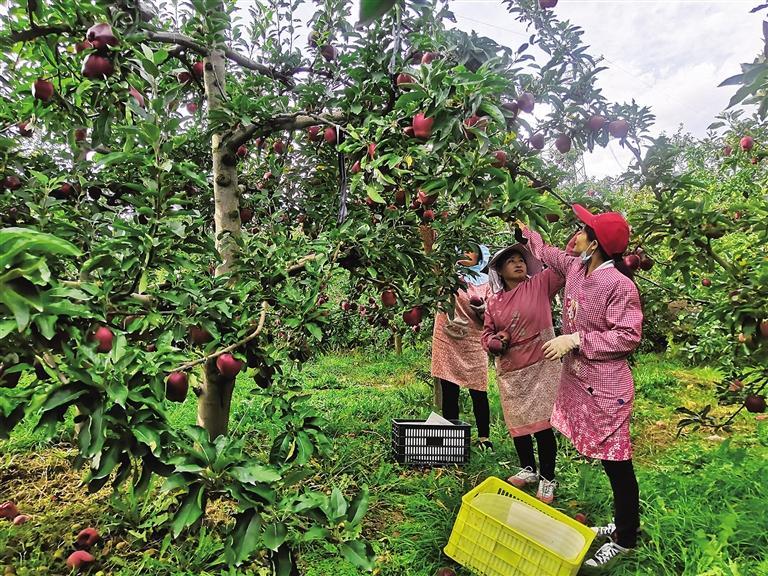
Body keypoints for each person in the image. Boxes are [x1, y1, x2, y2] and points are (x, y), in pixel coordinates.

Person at [518, 205, 643, 570]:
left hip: (606, 388)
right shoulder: (575, 267)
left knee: (618, 463)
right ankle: (624, 524)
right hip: (581, 383)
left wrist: (574, 339)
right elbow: (546, 253)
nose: (577, 235)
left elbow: (627, 335)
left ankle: (626, 539)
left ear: (597, 244)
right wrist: (527, 232)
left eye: (583, 230)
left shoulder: (619, 285)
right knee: (610, 463)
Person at [481, 242, 565, 503]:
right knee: (518, 422)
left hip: (541, 362)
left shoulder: (539, 284)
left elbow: (565, 266)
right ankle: (528, 469)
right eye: (511, 261)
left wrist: (537, 240)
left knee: (541, 423)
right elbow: (486, 334)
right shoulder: (493, 302)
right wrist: (494, 342)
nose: (518, 264)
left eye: (521, 259)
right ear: (499, 271)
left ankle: (548, 478)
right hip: (511, 368)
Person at [430, 244, 493, 449]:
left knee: (479, 390)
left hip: (474, 340)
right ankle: (451, 437)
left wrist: (484, 310)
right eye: (463, 249)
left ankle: (484, 438)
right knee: (449, 389)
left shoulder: (487, 283)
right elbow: (430, 255)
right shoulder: (447, 277)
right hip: (447, 339)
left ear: (480, 257)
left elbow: (494, 314)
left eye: (471, 250)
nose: (465, 253)